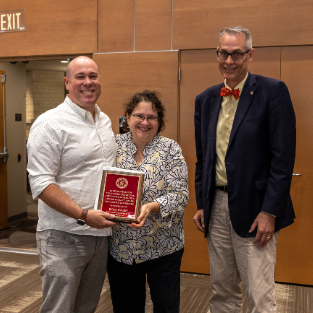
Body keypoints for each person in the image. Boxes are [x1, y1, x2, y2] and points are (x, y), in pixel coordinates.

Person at [192, 26, 296, 313]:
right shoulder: (205, 99)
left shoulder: (272, 91)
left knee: (259, 295)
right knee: (222, 292)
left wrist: (269, 212)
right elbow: (204, 159)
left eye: (236, 54)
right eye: (223, 53)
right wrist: (203, 204)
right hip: (217, 208)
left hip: (256, 210)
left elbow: (282, 159)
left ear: (250, 54)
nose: (229, 60)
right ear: (217, 54)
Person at [27, 56, 117, 313]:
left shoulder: (104, 120)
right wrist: (83, 215)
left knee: (86, 307)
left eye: (93, 76)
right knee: (60, 308)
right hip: (63, 236)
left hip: (100, 235)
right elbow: (41, 183)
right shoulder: (49, 123)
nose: (88, 82)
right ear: (67, 83)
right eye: (80, 77)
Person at [107, 90, 189, 313]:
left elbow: (180, 195)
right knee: (126, 307)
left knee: (166, 307)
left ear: (159, 120)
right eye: (139, 116)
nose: (145, 122)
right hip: (122, 248)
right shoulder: (112, 146)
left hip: (163, 246)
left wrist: (151, 207)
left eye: (151, 117)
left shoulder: (171, 149)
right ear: (128, 116)